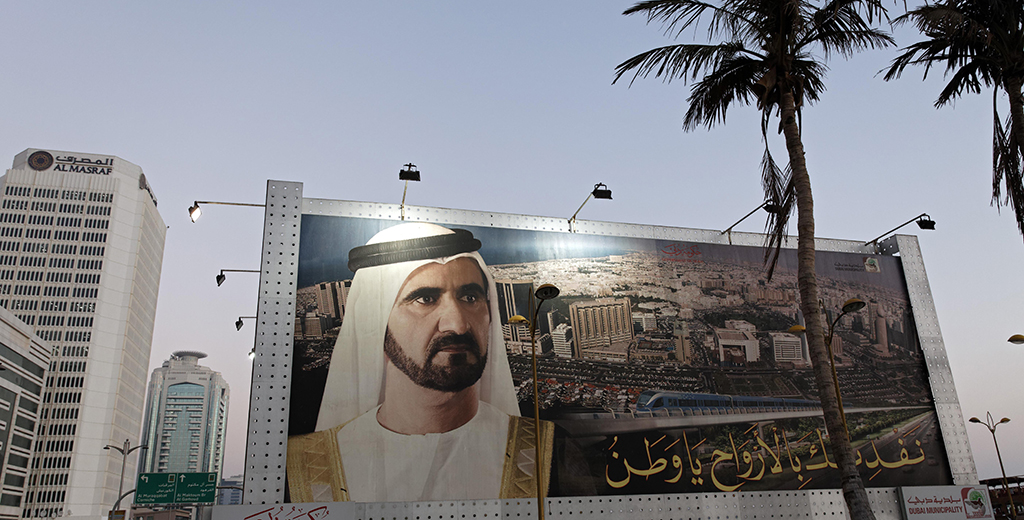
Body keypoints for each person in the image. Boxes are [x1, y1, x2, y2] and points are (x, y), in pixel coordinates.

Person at [287, 223, 553, 503]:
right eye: (425, 299)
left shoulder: (548, 455)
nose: (457, 324)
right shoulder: (302, 470)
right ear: (375, 323)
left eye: (470, 297)